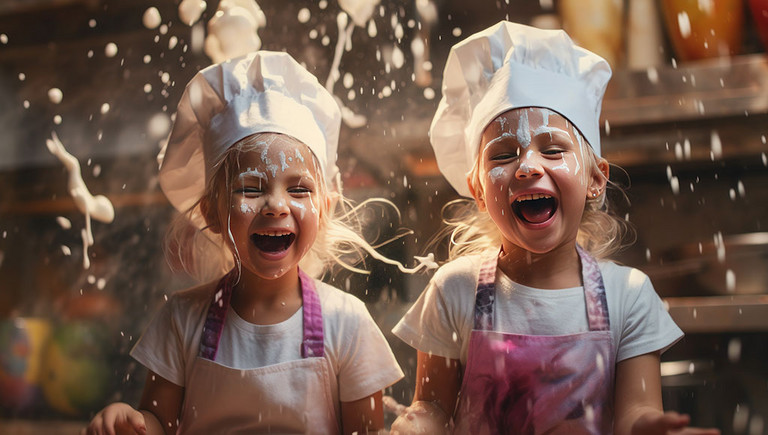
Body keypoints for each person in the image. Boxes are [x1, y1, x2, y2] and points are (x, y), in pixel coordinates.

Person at [390, 22, 720, 434]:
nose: (528, 166)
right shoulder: (454, 290)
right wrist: (416, 424)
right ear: (477, 188)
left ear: (595, 179)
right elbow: (433, 405)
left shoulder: (628, 297)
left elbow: (636, 412)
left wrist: (650, 427)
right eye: (504, 154)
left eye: (551, 149)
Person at [84, 51, 404, 435]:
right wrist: (131, 423)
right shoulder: (182, 318)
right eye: (250, 188)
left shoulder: (348, 323)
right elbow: (159, 424)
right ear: (212, 213)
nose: (276, 206)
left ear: (324, 208)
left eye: (299, 189)